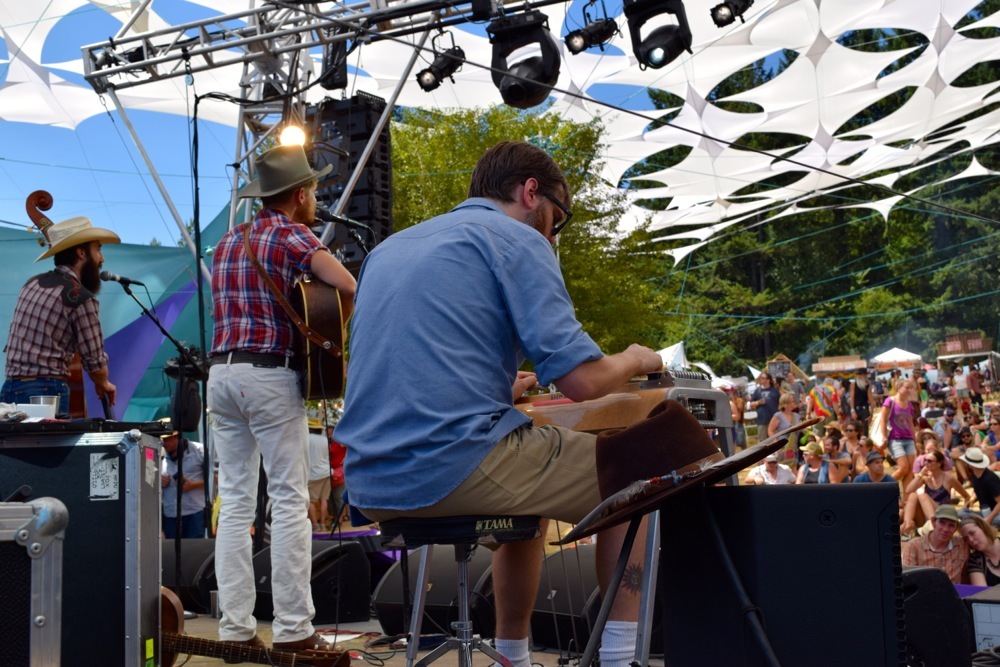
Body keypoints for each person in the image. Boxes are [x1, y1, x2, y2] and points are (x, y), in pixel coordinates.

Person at [335, 142, 687, 667]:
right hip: (449, 466)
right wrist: (636, 358)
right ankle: (620, 659)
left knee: (529, 491)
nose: (554, 232)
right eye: (558, 218)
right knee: (637, 474)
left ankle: (512, 656)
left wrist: (499, 389)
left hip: (371, 483)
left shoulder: (387, 251)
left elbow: (406, 371)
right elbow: (584, 383)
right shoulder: (518, 240)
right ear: (530, 193)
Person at [207, 144, 357, 655]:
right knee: (290, 500)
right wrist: (333, 333)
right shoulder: (293, 232)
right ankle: (294, 629)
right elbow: (346, 283)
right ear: (298, 195)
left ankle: (234, 629)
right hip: (269, 376)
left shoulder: (229, 240)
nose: (315, 196)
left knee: (234, 505)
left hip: (221, 376)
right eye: (312, 189)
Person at [1, 216, 120, 416]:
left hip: (9, 389)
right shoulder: (80, 297)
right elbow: (95, 363)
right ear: (81, 253)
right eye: (98, 249)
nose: (102, 258)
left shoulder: (32, 283)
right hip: (45, 393)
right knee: (48, 448)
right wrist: (104, 383)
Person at [900, 450, 969, 536]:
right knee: (913, 495)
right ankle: (907, 526)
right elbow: (908, 490)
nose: (926, 463)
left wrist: (964, 509)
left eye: (929, 461)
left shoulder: (949, 478)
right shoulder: (926, 477)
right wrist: (920, 474)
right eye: (925, 460)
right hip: (926, 516)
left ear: (939, 464)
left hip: (942, 515)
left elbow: (966, 496)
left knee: (922, 495)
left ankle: (933, 526)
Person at [902, 504, 969, 584]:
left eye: (951, 525)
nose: (945, 529)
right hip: (924, 594)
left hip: (954, 594)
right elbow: (908, 579)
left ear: (956, 528)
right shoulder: (914, 546)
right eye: (942, 523)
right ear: (933, 522)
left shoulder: (962, 545)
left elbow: (965, 575)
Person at [160, 430, 207, 538]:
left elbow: (215, 479)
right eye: (162, 439)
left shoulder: (200, 451)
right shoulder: (160, 455)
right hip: (170, 515)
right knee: (172, 551)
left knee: (194, 550)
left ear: (177, 437)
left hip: (194, 513)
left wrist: (193, 485)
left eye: (166, 439)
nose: (163, 443)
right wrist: (159, 481)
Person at [880, 377, 918, 490]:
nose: (909, 390)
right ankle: (883, 487)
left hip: (908, 438)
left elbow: (910, 422)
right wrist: (884, 437)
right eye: (907, 388)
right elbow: (883, 419)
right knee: (903, 467)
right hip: (895, 439)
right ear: (899, 387)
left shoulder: (909, 404)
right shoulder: (890, 401)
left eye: (911, 388)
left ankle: (906, 499)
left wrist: (914, 438)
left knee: (909, 470)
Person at [959, 448, 1000, 528]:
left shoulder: (990, 478)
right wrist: (972, 500)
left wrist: (989, 519)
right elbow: (978, 490)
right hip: (985, 512)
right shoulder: (975, 475)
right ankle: (981, 523)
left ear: (970, 465)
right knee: (961, 512)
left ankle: (982, 523)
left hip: (996, 513)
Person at [961, 514, 1000, 586]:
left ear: (983, 527)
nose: (971, 540)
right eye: (966, 538)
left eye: (972, 533)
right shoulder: (975, 560)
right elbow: (982, 594)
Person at [306, 420, 331, 532]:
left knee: (311, 501)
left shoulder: (307, 438)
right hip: (326, 472)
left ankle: (315, 525)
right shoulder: (325, 439)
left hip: (313, 474)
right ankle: (322, 524)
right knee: (324, 499)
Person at [849, 368, 873, 434]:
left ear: (864, 375)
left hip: (865, 409)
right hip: (856, 408)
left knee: (865, 429)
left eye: (860, 374)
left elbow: (871, 399)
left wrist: (871, 413)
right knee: (854, 429)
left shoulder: (868, 385)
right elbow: (852, 397)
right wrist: (852, 410)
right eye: (858, 374)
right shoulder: (854, 384)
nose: (858, 376)